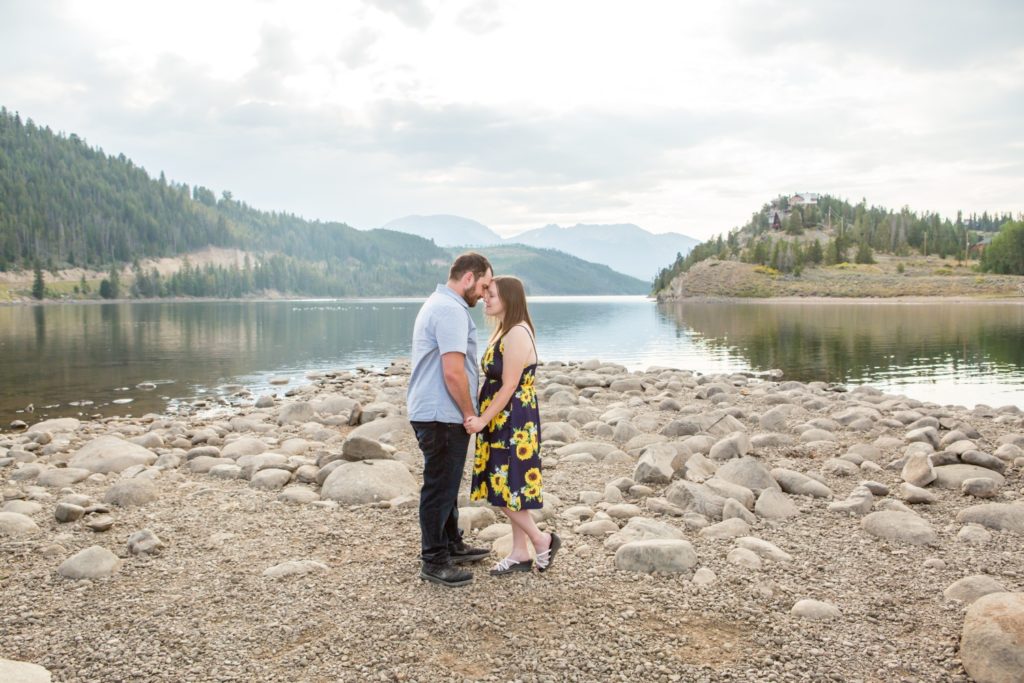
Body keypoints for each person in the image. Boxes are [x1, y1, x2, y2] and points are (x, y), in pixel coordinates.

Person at [408, 252, 494, 587]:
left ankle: (451, 544)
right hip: (441, 414)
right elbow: (453, 372)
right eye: (484, 285)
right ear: (469, 278)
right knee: (439, 487)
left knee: (447, 482)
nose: (485, 294)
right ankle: (434, 560)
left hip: (435, 412)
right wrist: (469, 413)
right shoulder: (449, 310)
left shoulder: (441, 304)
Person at [465, 276, 560, 575]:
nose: (485, 299)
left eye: (491, 295)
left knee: (501, 486)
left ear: (509, 298)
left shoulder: (517, 333)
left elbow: (509, 387)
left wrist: (482, 420)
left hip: (512, 419)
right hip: (505, 417)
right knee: (512, 487)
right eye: (486, 294)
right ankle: (520, 553)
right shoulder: (505, 330)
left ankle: (541, 540)